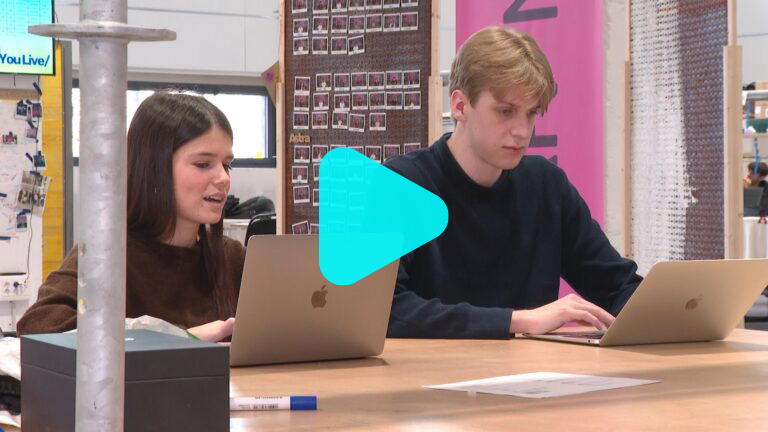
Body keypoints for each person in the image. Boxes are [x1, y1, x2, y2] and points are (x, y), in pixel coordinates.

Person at [383, 27, 643, 339]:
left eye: (531, 113)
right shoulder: (401, 185)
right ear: (460, 106)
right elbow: (384, 310)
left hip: (531, 370)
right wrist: (514, 321)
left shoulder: (547, 186)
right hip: (431, 369)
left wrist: (673, 312)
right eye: (505, 111)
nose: (522, 131)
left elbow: (618, 286)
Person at [17, 92, 245, 342]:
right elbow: (39, 327)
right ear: (154, 168)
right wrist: (181, 338)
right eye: (203, 164)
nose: (223, 178)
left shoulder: (233, 259)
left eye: (227, 165)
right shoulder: (106, 256)